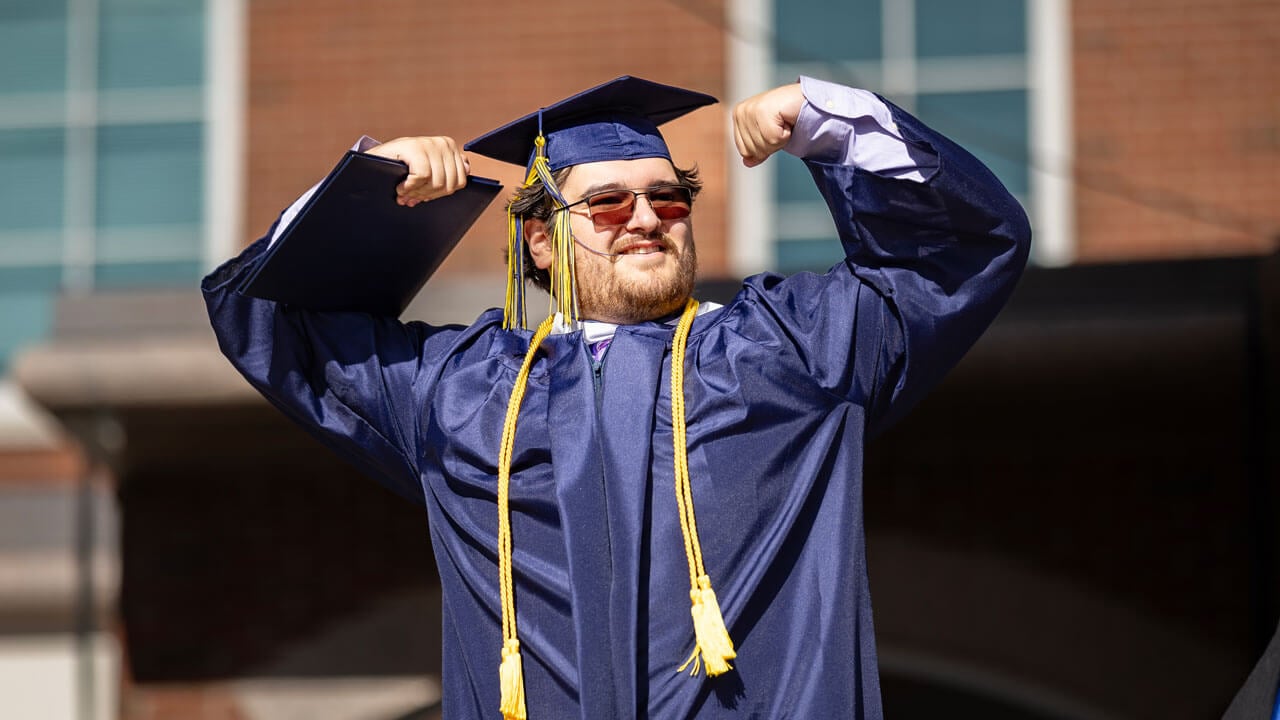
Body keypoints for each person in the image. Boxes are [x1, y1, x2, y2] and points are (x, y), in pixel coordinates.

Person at [203, 75, 1031, 719]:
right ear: (540, 236)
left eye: (669, 198)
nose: (645, 218)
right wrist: (367, 193)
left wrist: (831, 122)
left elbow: (951, 259)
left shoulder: (789, 353)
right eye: (605, 202)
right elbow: (269, 322)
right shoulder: (459, 394)